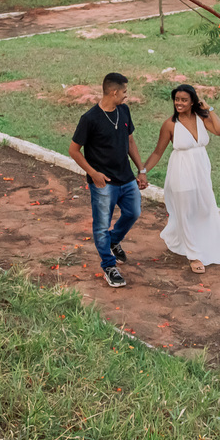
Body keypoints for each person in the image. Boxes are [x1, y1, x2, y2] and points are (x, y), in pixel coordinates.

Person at [68, 72, 149, 288]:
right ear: (114, 92)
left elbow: (130, 141)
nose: (125, 96)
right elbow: (74, 150)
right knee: (101, 225)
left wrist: (141, 170)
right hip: (103, 182)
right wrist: (93, 174)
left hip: (126, 177)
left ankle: (113, 241)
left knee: (133, 212)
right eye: (124, 92)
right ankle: (108, 265)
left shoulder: (123, 111)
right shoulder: (90, 119)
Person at [142, 83, 220, 274]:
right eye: (177, 99)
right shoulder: (170, 124)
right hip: (180, 171)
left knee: (204, 208)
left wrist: (209, 109)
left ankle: (195, 241)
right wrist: (143, 171)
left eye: (184, 100)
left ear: (192, 102)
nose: (179, 103)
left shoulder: (201, 118)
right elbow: (157, 152)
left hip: (201, 170)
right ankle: (193, 255)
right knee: (185, 211)